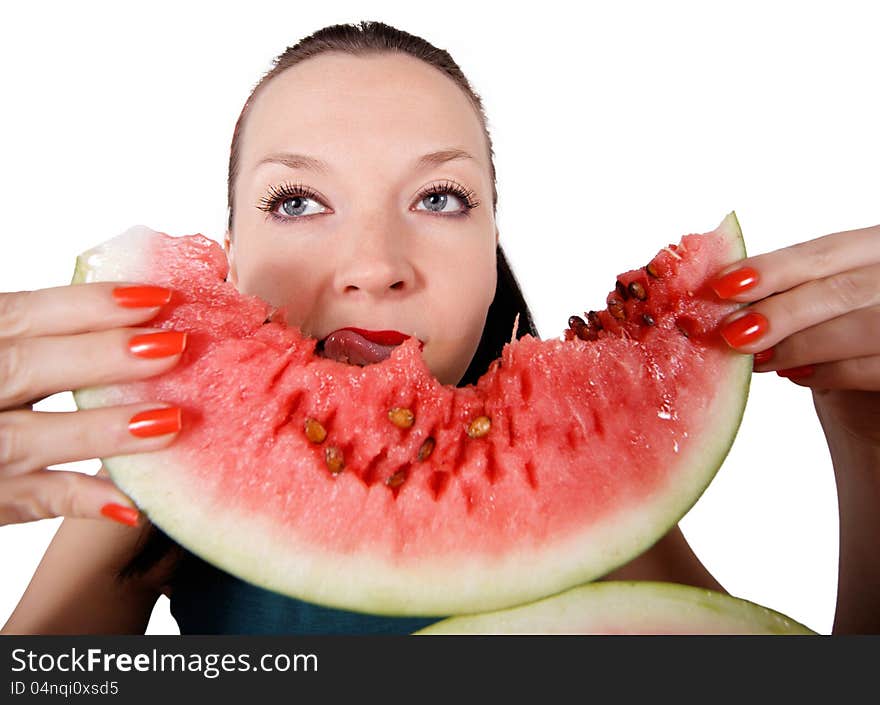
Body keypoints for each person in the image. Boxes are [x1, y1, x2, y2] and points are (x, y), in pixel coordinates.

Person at [1, 21, 877, 635]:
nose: (375, 263)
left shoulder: (581, 494)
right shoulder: (155, 465)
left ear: (493, 246)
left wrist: (866, 436)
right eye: (297, 200)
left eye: (439, 198)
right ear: (228, 256)